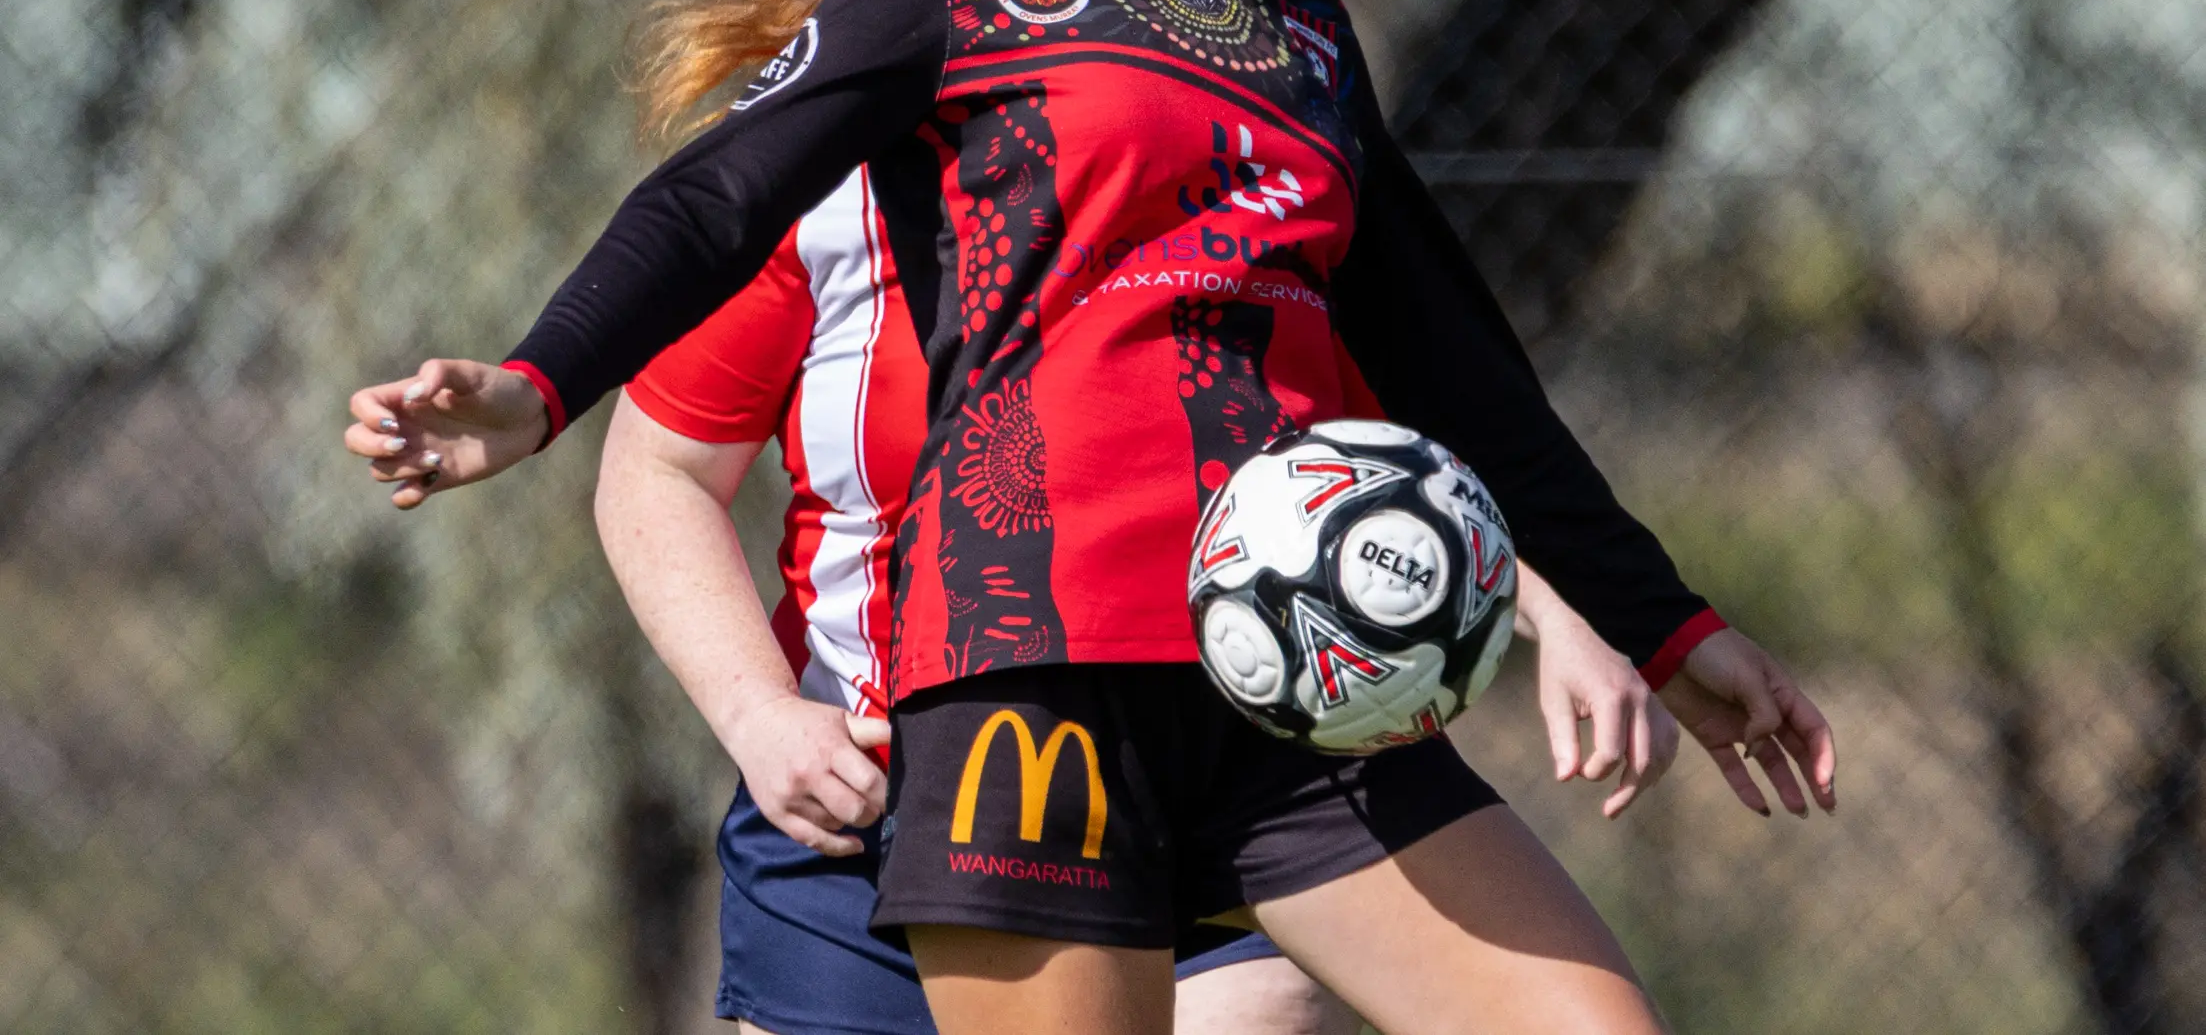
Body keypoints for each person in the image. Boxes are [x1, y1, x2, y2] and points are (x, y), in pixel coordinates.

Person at [350, 0, 1835, 1030]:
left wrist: (1663, 627)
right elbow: (719, 193)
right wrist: (538, 384)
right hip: (1029, 671)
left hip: (1293, 677)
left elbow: (1460, 373)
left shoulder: (1301, 30)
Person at [347, 161, 1688, 1035]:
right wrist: (761, 718)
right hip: (859, 819)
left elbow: (1359, 487)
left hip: (1193, 816)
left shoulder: (1226, 180)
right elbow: (655, 471)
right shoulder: (826, 187)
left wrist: (1540, 605)